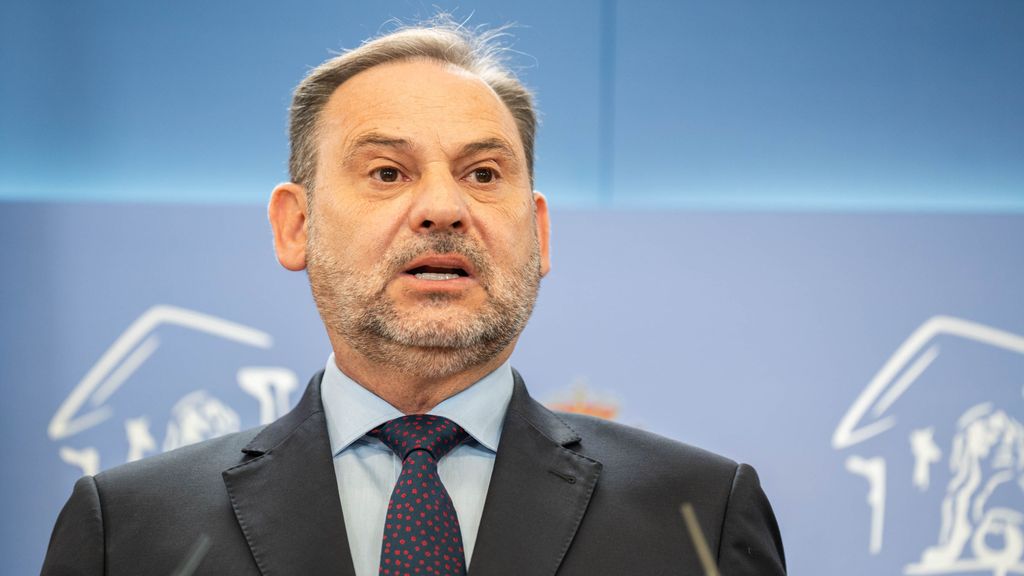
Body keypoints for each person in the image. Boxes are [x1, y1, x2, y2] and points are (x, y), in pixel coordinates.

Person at [42, 19, 786, 576]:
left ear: (538, 232)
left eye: (485, 174)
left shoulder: (700, 515)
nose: (443, 208)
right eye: (388, 173)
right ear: (295, 225)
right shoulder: (131, 530)